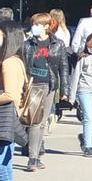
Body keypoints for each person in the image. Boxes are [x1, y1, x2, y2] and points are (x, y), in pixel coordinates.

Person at [20, 13, 69, 172]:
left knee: (41, 123)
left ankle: (37, 156)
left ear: (46, 26)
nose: (34, 27)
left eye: (37, 24)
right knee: (34, 121)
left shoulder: (58, 44)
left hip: (49, 85)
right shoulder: (28, 44)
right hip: (33, 85)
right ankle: (32, 158)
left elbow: (64, 68)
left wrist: (65, 91)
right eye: (33, 24)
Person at [0, 21, 28, 181]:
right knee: (6, 164)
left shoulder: (9, 63)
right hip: (11, 117)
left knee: (2, 168)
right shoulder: (17, 60)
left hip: (5, 118)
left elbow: (9, 94)